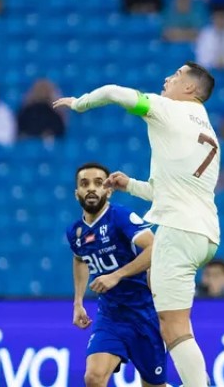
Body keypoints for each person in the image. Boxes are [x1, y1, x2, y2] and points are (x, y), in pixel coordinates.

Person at [54, 61, 220, 387]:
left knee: (174, 327)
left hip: (178, 230)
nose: (166, 79)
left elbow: (116, 93)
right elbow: (168, 190)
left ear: (189, 88)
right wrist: (130, 184)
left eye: (175, 77)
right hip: (204, 233)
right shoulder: (208, 133)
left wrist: (80, 103)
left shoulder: (168, 109)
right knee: (176, 324)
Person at [68, 162, 165, 387]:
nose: (91, 188)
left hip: (144, 313)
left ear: (108, 190)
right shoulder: (76, 232)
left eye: (98, 183)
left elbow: (154, 248)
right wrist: (78, 302)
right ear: (77, 193)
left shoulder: (120, 216)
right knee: (93, 378)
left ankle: (195, 380)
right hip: (110, 316)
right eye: (84, 184)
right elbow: (80, 259)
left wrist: (117, 275)